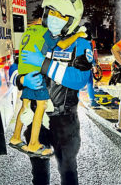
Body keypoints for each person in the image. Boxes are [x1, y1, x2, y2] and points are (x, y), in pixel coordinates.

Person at [11, 0, 93, 185]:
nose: (55, 18)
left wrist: (44, 64)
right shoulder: (39, 35)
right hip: (37, 117)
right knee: (38, 173)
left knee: (68, 171)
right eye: (52, 13)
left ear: (72, 20)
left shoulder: (81, 44)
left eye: (61, 15)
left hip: (65, 120)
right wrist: (21, 80)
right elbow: (15, 65)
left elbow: (79, 78)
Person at [9, 11, 87, 158]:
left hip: (25, 74)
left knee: (25, 106)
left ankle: (15, 138)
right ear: (43, 19)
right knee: (41, 106)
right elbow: (63, 45)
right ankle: (33, 144)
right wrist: (77, 35)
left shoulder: (28, 31)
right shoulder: (46, 32)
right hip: (36, 76)